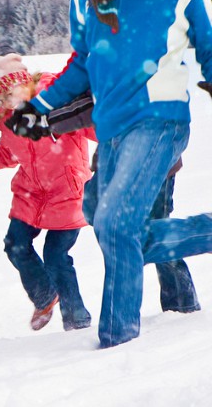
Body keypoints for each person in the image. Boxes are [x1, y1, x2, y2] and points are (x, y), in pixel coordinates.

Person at [5, 0, 212, 348]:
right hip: (112, 127)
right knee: (106, 222)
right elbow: (82, 63)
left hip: (160, 120)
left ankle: (117, 341)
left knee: (117, 224)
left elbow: (211, 49)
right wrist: (38, 108)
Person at [48, 92, 201, 314]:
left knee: (155, 227)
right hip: (114, 167)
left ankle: (181, 304)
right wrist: (45, 118)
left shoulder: (144, 72)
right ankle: (130, 309)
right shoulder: (103, 70)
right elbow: (84, 105)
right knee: (104, 218)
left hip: (157, 165)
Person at [0, 54, 92, 331]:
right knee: (15, 244)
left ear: (24, 81)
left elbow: (96, 125)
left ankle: (76, 320)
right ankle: (45, 296)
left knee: (56, 256)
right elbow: (11, 152)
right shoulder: (7, 118)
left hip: (68, 191)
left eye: (8, 93)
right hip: (31, 193)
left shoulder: (58, 100)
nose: (5, 103)